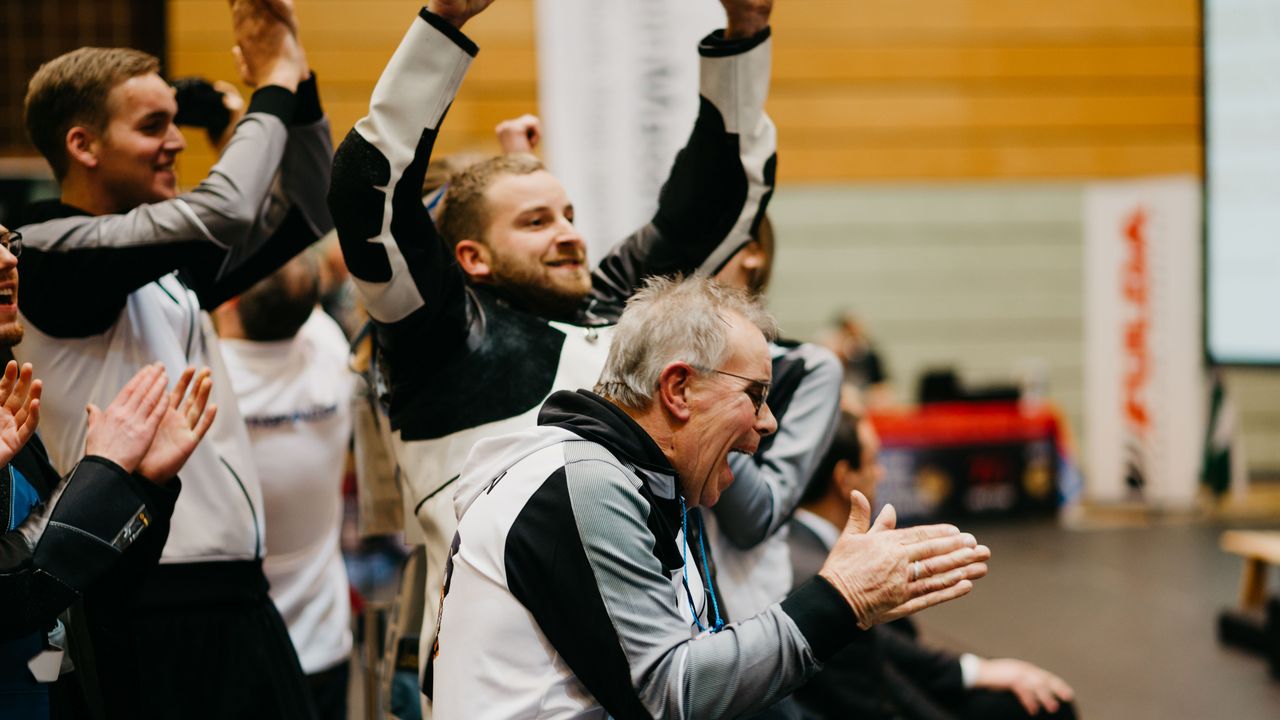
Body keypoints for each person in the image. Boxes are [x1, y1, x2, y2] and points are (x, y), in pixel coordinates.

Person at [329, 0, 779, 699]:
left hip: (653, 660)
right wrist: (443, 23)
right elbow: (369, 198)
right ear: (470, 257)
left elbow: (713, 206)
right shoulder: (439, 335)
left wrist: (745, 31)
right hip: (506, 685)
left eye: (569, 215)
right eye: (536, 221)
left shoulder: (613, 305)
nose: (570, 234)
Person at [431, 276, 990, 718]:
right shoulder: (586, 479)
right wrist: (841, 598)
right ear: (678, 389)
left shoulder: (631, 478)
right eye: (755, 396)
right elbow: (672, 695)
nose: (768, 423)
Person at [14, 0, 333, 715]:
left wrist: (296, 73)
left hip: (237, 590)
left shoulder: (161, 263)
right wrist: (272, 87)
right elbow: (224, 210)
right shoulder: (46, 249)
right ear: (83, 145)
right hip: (144, 596)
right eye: (153, 126)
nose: (177, 145)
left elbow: (310, 205)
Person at [789, 412, 1077, 720]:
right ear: (845, 478)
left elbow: (889, 654)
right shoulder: (812, 574)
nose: (882, 473)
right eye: (873, 461)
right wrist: (975, 671)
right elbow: (883, 681)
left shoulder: (804, 549)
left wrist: (975, 670)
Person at [214, 255, 356, 720]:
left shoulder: (202, 382)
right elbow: (298, 289)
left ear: (229, 299)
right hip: (321, 641)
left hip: (232, 650)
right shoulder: (329, 353)